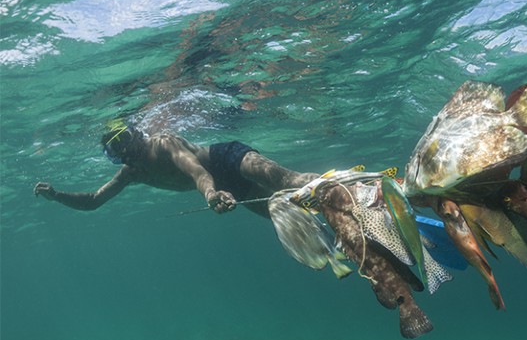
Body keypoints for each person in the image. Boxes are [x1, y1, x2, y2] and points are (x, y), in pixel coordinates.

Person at [33, 122, 318, 217]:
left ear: (136, 134)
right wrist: (57, 195)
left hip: (226, 158)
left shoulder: (163, 144)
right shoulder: (131, 174)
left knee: (292, 182)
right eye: (114, 148)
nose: (124, 149)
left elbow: (197, 172)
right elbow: (95, 201)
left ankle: (344, 184)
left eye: (125, 139)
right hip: (222, 189)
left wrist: (209, 194)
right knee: (284, 214)